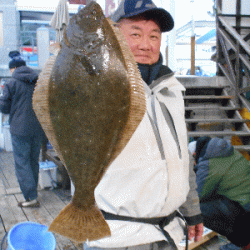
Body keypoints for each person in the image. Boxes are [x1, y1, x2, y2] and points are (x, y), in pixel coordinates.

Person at [84, 0, 203, 249]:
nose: (146, 45)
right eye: (135, 33)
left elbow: (181, 157)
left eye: (154, 35)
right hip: (117, 237)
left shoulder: (171, 90)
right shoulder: (94, 87)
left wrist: (191, 210)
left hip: (167, 232)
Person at [0, 51, 45, 207]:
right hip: (38, 128)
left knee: (22, 163)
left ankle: (31, 197)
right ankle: (33, 192)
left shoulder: (11, 83)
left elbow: (5, 108)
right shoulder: (39, 80)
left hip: (20, 129)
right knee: (33, 161)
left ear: (13, 69)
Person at [189, 137, 250, 250]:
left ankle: (238, 244)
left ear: (194, 154)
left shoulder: (209, 163)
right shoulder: (226, 153)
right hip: (245, 207)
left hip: (244, 212)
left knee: (195, 209)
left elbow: (197, 195)